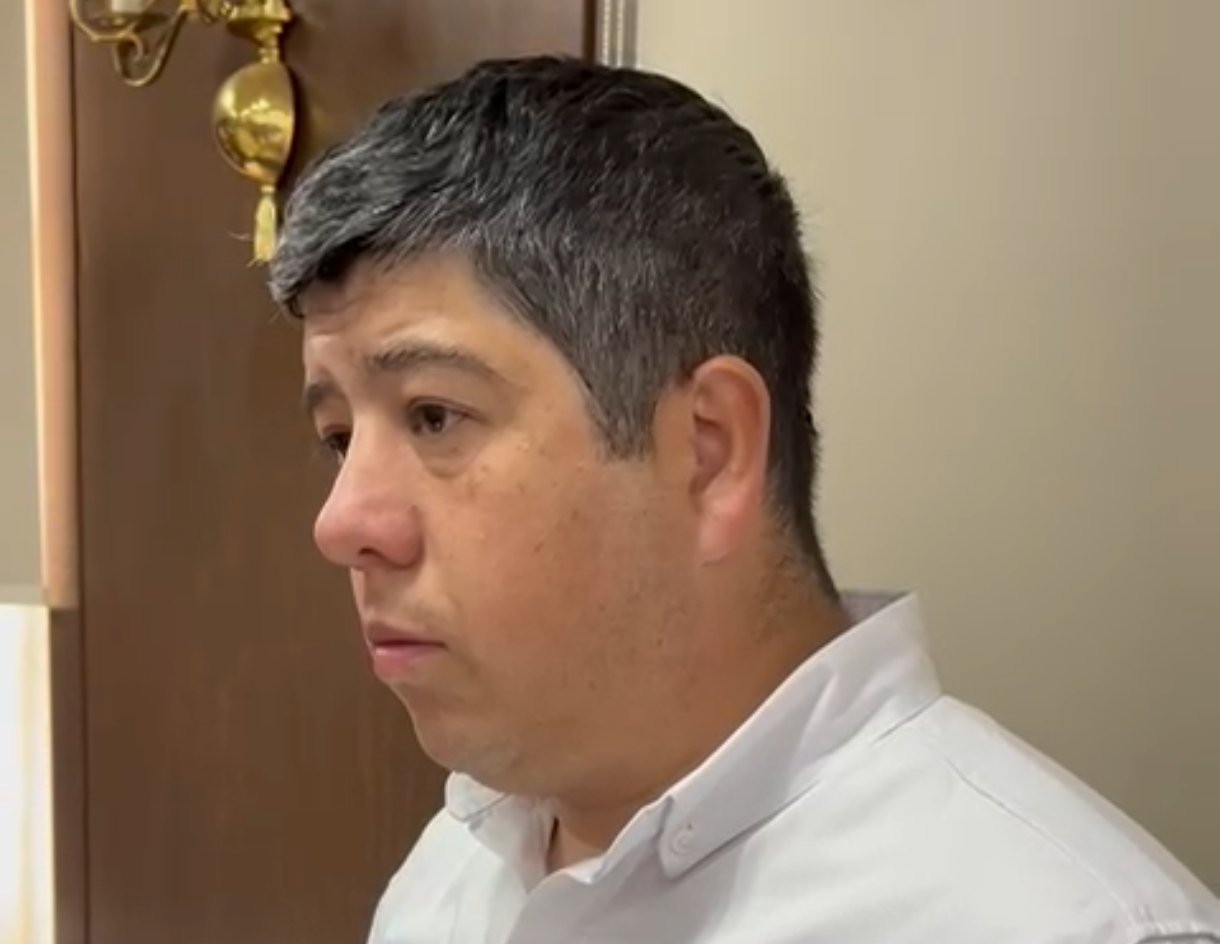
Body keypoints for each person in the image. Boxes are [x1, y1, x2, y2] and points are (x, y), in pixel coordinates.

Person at [268, 56, 1219, 944]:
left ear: (709, 451)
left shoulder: (1063, 924)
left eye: (435, 416)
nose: (342, 523)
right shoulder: (459, 864)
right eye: (340, 439)